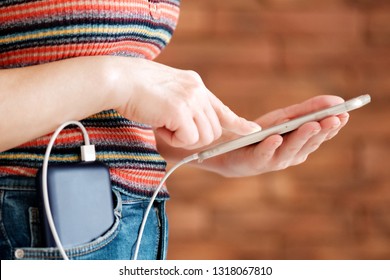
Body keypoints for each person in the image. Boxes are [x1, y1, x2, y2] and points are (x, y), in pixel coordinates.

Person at [0, 0, 348, 260]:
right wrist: (122, 79)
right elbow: (116, 82)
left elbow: (101, 103)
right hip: (35, 218)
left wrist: (207, 146)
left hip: (134, 221)